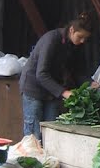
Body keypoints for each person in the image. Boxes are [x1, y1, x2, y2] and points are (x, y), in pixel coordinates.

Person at [19, 11, 94, 140]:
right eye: (80, 37)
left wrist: (89, 82)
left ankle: (49, 159)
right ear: (71, 30)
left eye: (85, 38)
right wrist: (63, 92)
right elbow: (41, 74)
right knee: (34, 134)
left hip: (52, 90)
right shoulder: (52, 40)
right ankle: (31, 158)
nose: (82, 41)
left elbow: (77, 70)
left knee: (52, 130)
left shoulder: (76, 46)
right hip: (34, 88)